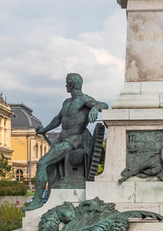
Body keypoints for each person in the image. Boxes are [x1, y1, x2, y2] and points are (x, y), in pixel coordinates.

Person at [23, 73, 108, 211]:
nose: (65, 86)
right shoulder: (66, 103)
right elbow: (58, 119)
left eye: (67, 83)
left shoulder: (84, 99)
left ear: (72, 85)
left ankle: (37, 200)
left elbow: (103, 105)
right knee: (50, 168)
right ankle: (49, 198)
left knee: (42, 163)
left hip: (73, 140)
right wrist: (45, 129)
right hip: (61, 139)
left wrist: (94, 108)